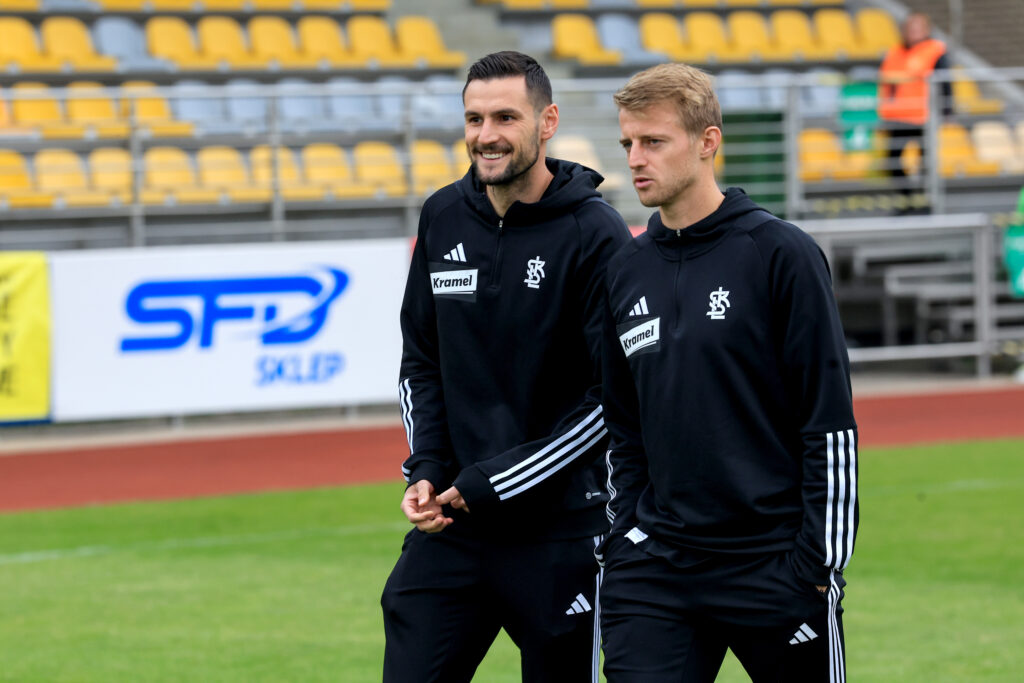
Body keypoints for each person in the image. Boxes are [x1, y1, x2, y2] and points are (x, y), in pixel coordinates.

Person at [598, 63, 859, 681]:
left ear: (707, 142)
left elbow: (828, 421)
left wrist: (816, 564)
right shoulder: (626, 269)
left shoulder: (780, 254)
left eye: (654, 141)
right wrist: (624, 537)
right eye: (628, 143)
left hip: (772, 566)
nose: (635, 159)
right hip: (656, 570)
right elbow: (623, 426)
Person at [381, 51, 631, 683]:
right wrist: (427, 468)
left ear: (547, 122)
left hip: (560, 532)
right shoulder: (442, 215)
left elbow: (612, 399)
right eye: (474, 119)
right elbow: (421, 362)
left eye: (504, 117)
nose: (485, 135)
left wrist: (495, 482)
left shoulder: (595, 232)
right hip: (454, 524)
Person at [878, 12, 953, 212]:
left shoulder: (935, 51)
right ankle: (907, 201)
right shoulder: (895, 52)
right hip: (897, 117)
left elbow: (945, 83)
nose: (913, 32)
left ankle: (926, 203)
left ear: (927, 30)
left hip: (923, 117)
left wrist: (947, 110)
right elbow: (886, 85)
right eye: (911, 28)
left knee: (925, 163)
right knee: (892, 162)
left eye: (918, 28)